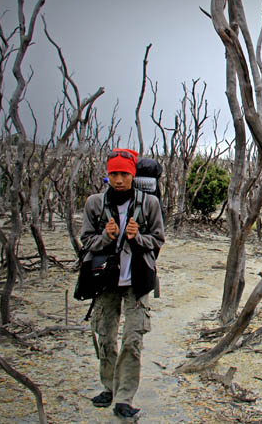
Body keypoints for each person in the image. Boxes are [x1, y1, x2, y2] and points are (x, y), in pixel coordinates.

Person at [80, 148, 165, 421]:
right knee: (105, 336)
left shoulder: (148, 203)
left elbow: (158, 240)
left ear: (133, 175)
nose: (119, 180)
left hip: (136, 281)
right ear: (107, 175)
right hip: (105, 280)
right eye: (114, 174)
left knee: (132, 339)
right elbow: (86, 242)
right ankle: (110, 387)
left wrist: (138, 237)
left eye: (124, 174)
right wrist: (106, 237)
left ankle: (124, 398)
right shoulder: (95, 203)